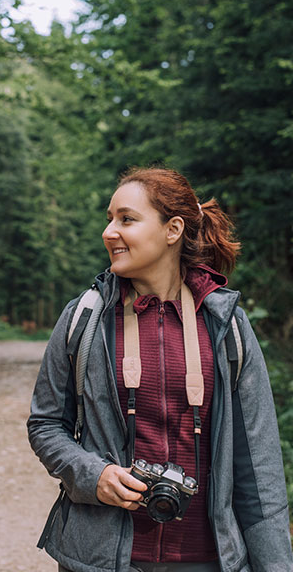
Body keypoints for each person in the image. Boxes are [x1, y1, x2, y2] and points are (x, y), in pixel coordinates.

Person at [28, 167, 292, 572]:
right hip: (102, 560)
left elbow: (259, 469)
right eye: (110, 218)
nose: (110, 231)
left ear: (173, 230)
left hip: (207, 559)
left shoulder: (226, 325)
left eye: (127, 219)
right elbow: (46, 425)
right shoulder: (84, 318)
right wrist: (92, 475)